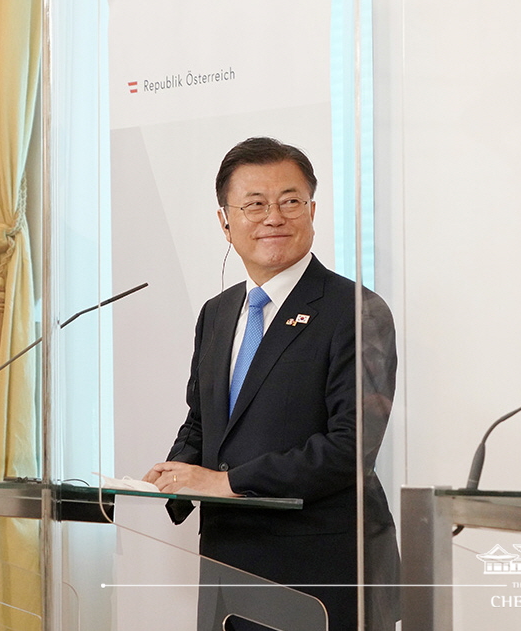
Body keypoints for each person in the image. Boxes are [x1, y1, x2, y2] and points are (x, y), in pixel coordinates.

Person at [143, 137, 399, 631]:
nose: (274, 217)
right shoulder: (217, 315)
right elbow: (205, 420)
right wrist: (172, 477)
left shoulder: (356, 311)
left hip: (322, 570)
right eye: (255, 204)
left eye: (290, 201)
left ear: (312, 210)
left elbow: (352, 446)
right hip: (229, 563)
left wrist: (227, 483)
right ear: (225, 221)